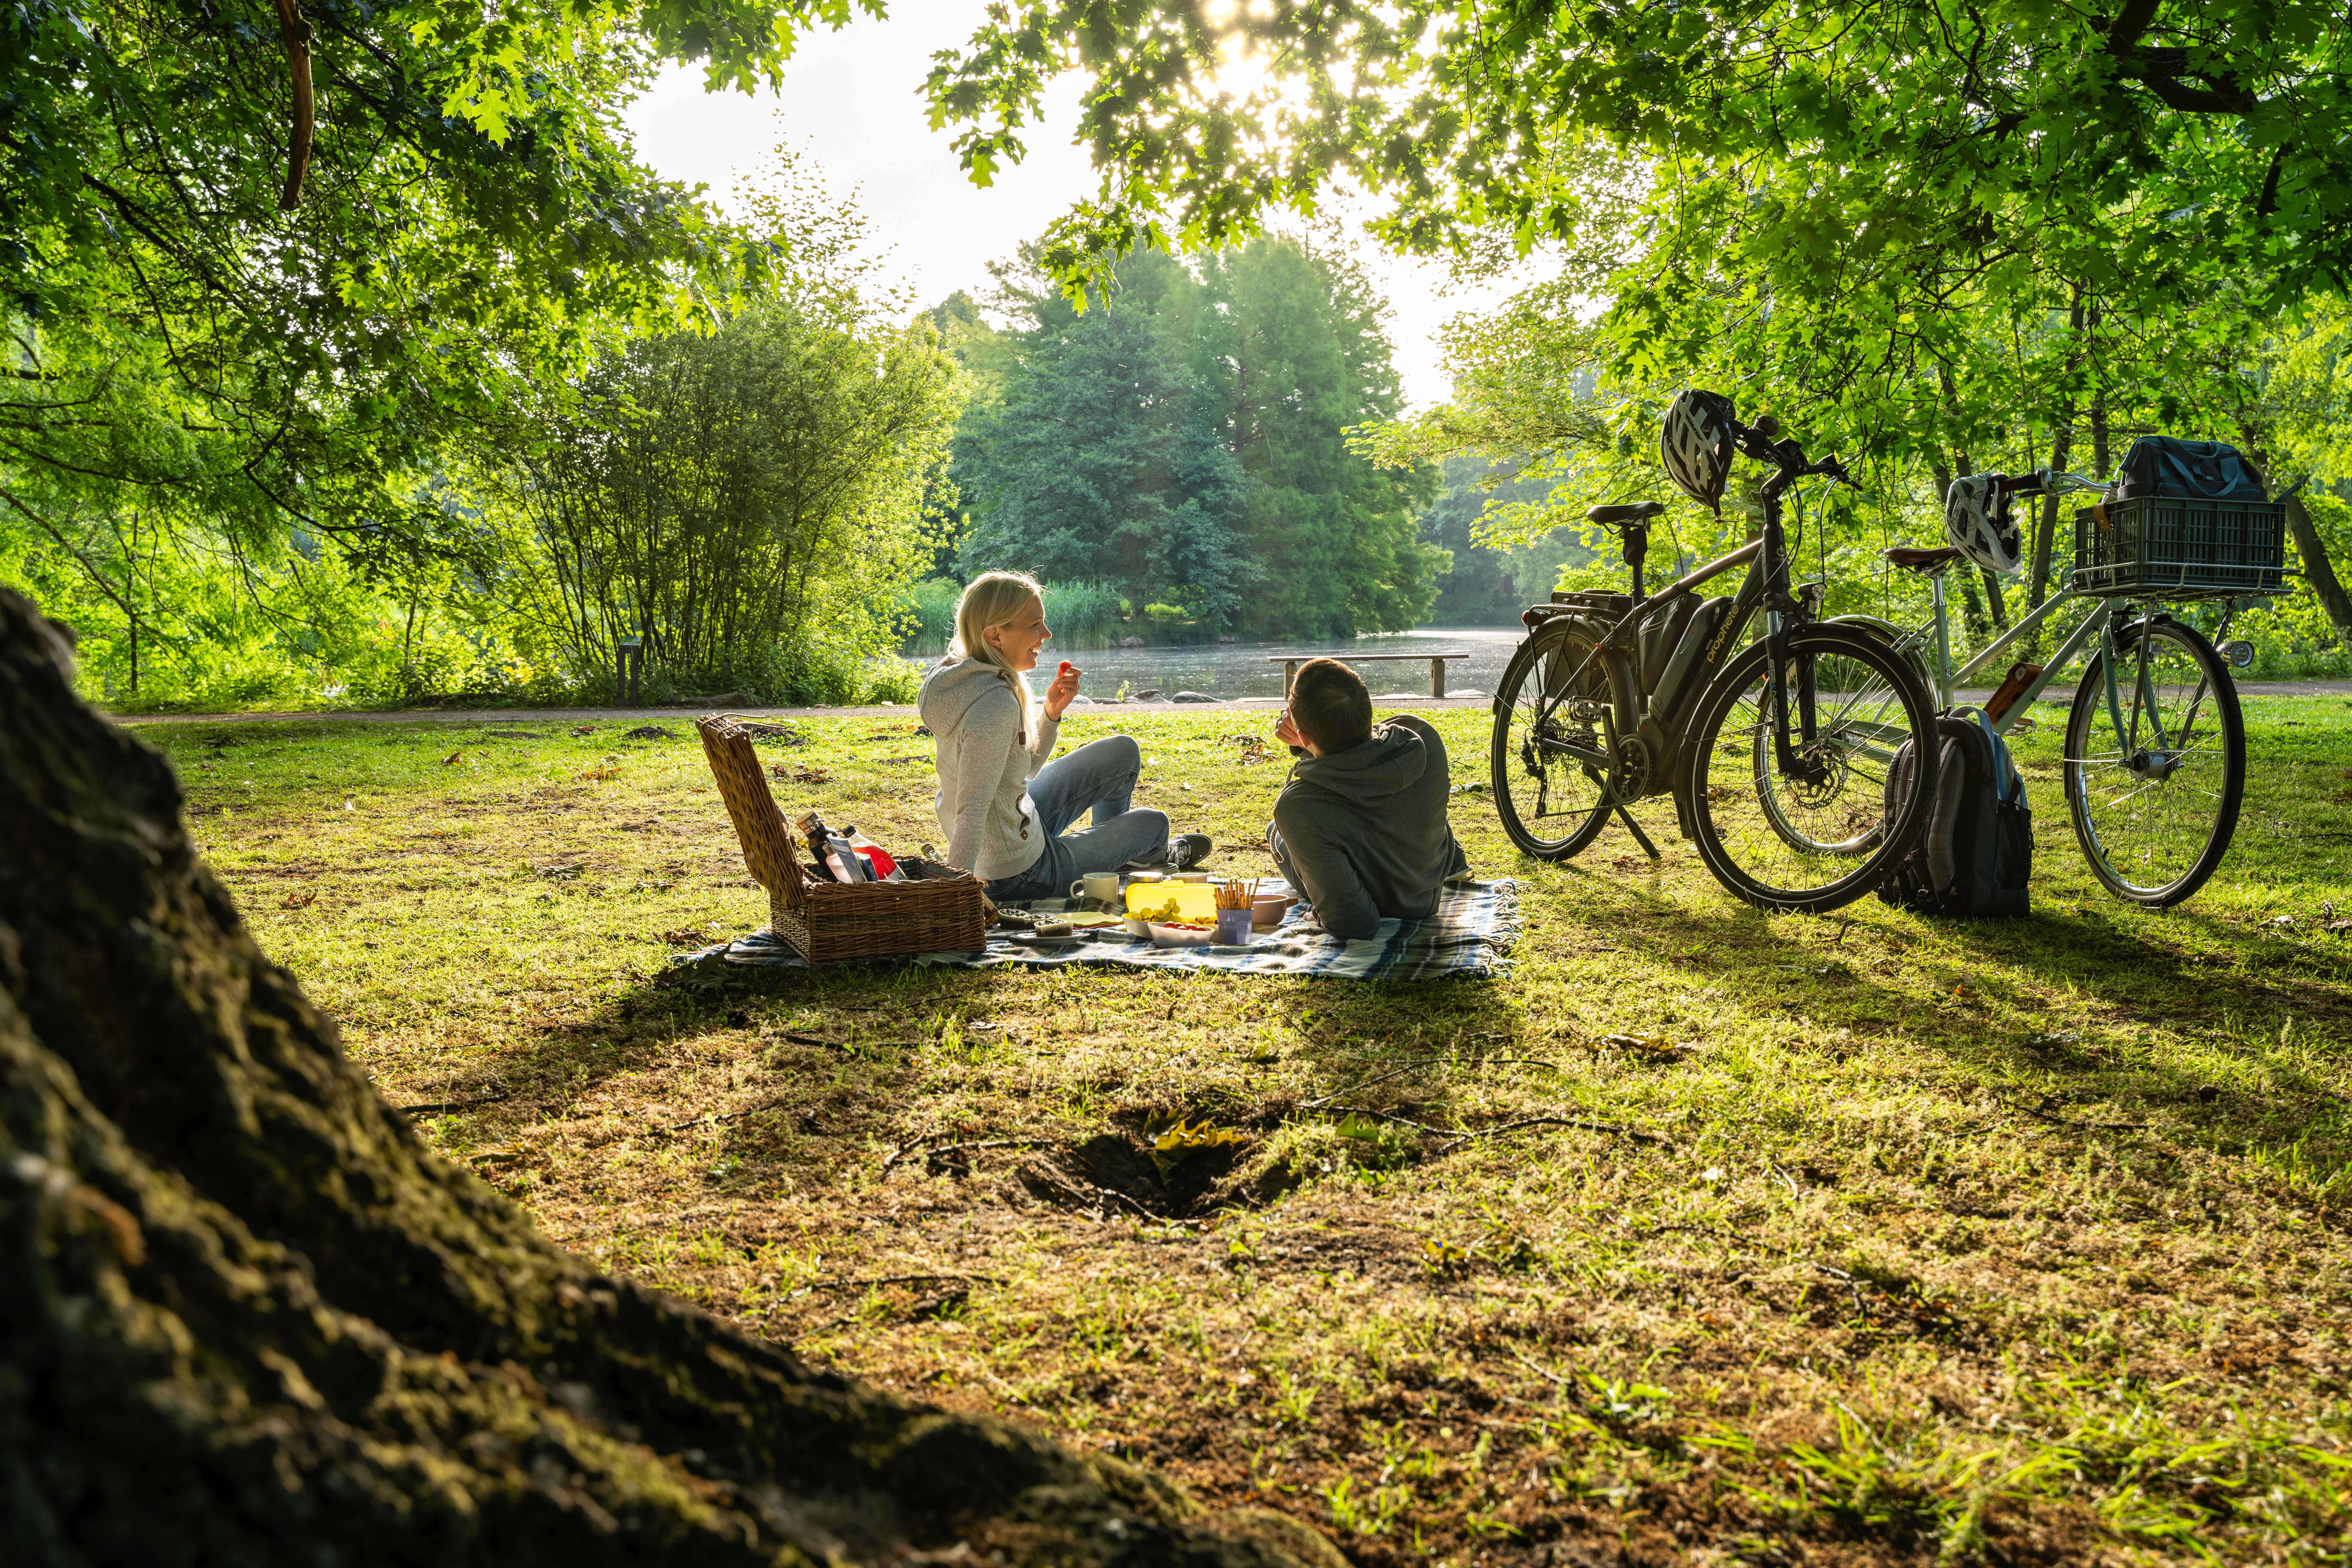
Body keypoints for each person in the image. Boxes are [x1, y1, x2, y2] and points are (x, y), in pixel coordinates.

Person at [919, 571, 1211, 900]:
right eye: (1035, 625)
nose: (1047, 634)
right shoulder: (994, 703)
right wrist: (955, 896)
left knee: (1123, 752)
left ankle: (1117, 859)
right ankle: (1145, 854)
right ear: (996, 636)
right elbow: (971, 809)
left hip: (1012, 826)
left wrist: (1051, 714)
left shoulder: (959, 676)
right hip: (1018, 872)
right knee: (1154, 826)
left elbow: (1025, 768)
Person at [1268, 657, 1468, 939]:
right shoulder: (1423, 738)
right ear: (1368, 708)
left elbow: (1354, 924)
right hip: (1424, 898)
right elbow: (1362, 753)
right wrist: (1309, 742)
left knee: (1277, 833)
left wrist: (1322, 915)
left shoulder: (1297, 806)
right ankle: (1455, 861)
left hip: (1373, 907)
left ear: (1301, 735)